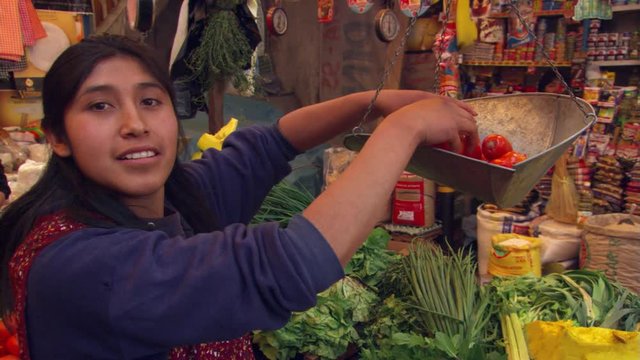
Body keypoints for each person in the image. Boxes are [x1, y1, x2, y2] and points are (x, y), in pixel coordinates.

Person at [0, 35, 478, 359]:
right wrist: (404, 129)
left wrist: (368, 105)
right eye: (100, 105)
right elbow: (286, 266)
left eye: (150, 100)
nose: (135, 124)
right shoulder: (76, 267)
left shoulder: (176, 200)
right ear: (57, 138)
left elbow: (270, 144)